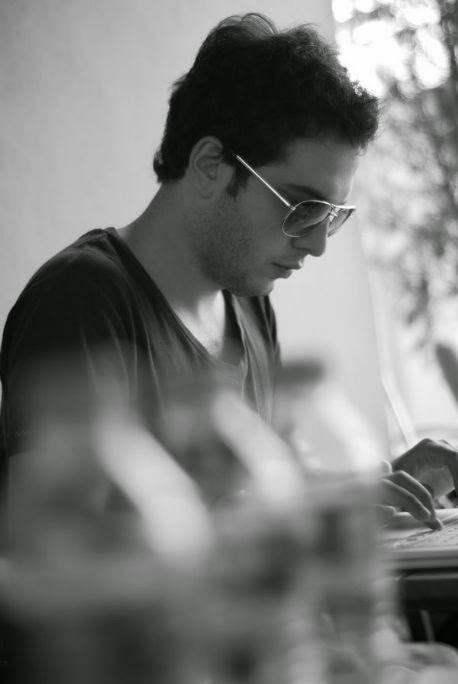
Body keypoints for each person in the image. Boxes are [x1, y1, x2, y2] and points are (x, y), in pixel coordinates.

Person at [1, 13, 457, 530]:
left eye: (331, 216)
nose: (316, 245)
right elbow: (57, 542)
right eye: (304, 207)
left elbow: (266, 494)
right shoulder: (81, 300)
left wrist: (383, 486)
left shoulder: (248, 302)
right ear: (210, 166)